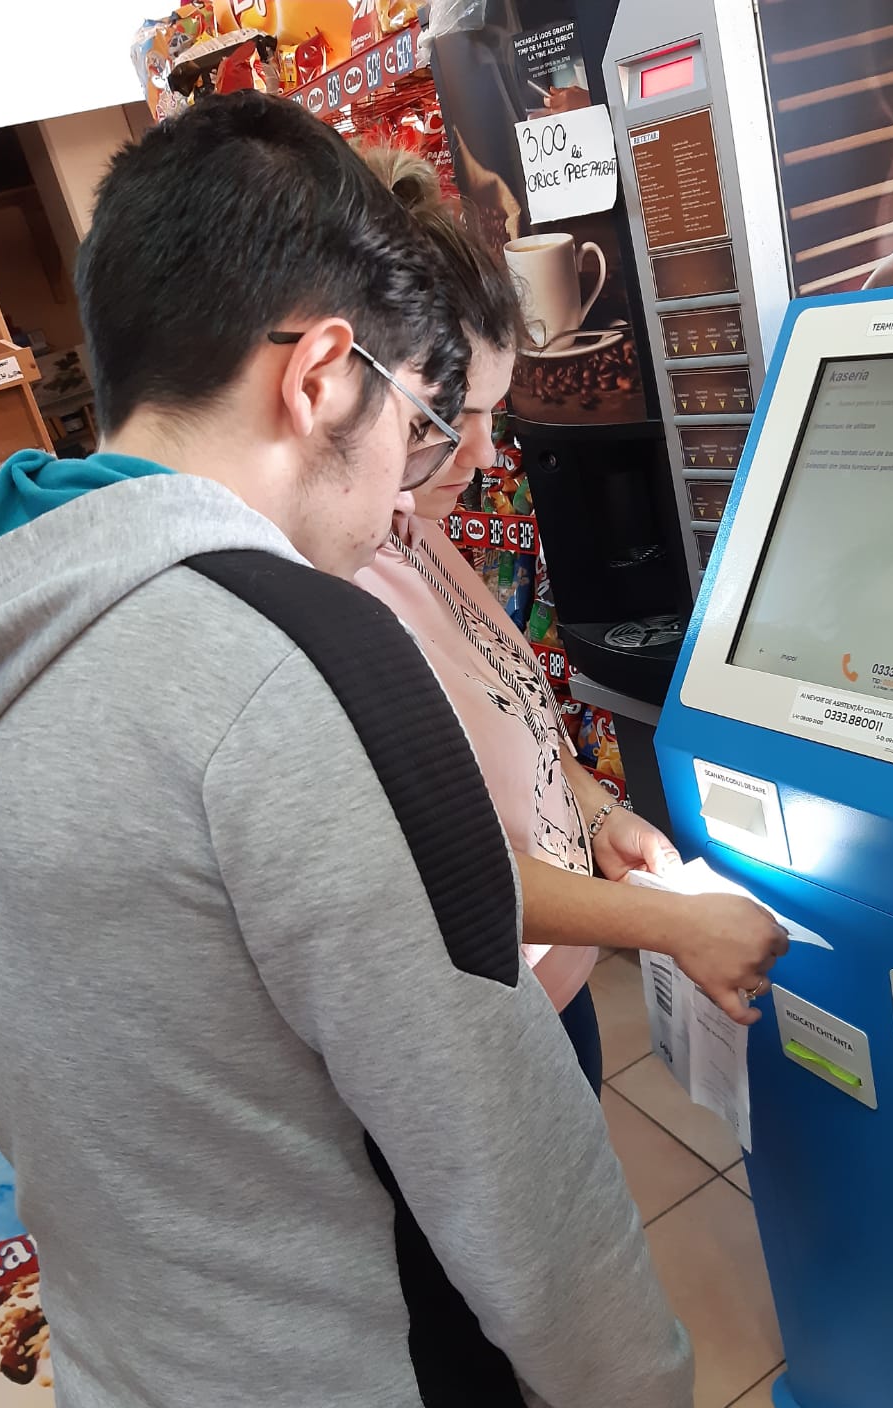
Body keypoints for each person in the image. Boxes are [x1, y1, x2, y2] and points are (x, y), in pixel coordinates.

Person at [0, 95, 770, 1408]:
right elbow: (502, 1155)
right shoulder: (298, 657)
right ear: (322, 373)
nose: (412, 481)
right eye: (414, 416)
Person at [355, 148, 788, 1097]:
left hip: (554, 988)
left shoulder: (410, 524)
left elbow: (508, 714)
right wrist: (674, 924)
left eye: (494, 415)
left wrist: (595, 814)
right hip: (487, 1029)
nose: (482, 454)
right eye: (452, 416)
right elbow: (439, 866)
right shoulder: (336, 577)